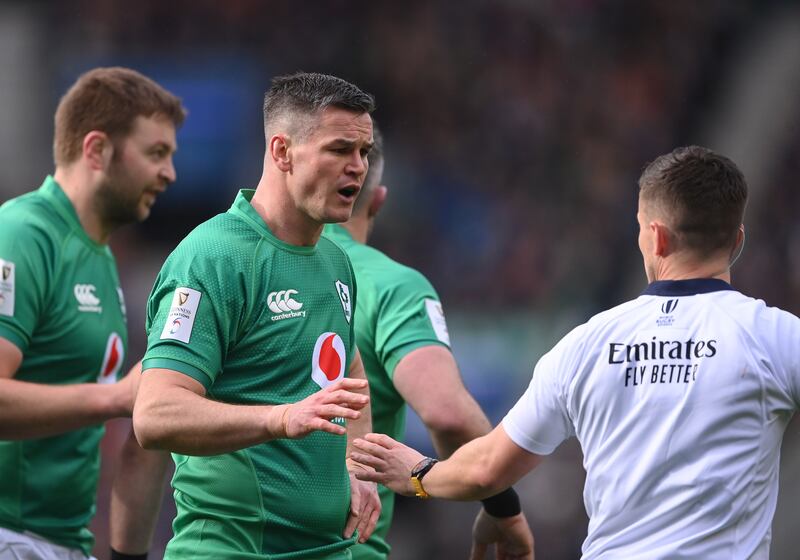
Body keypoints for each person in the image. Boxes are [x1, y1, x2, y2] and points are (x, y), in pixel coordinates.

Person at [351, 146, 798, 559]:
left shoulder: (586, 345)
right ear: (737, 241)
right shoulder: (777, 338)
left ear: (656, 238)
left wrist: (417, 473)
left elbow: (486, 468)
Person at [132, 72, 380, 560]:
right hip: (234, 549)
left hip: (329, 550)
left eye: (364, 152)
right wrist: (279, 417)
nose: (357, 167)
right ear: (282, 152)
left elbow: (350, 373)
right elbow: (154, 414)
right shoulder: (214, 257)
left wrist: (358, 466)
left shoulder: (335, 261)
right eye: (339, 150)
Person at [321, 124, 534, 560]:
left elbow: (167, 402)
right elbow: (447, 414)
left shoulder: (235, 266)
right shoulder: (391, 286)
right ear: (378, 200)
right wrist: (502, 506)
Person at [0, 67, 185, 559]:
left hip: (58, 539)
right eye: (156, 153)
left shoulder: (97, 252)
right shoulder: (22, 235)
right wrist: (115, 397)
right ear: (97, 150)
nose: (170, 173)